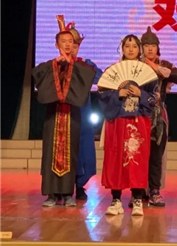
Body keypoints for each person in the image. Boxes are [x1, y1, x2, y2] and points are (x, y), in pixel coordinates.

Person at [32, 15, 96, 207]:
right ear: (56, 45)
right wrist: (55, 65)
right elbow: (37, 77)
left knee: (71, 152)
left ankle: (68, 193)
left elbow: (87, 78)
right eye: (64, 41)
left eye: (70, 42)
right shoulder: (49, 65)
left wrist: (70, 66)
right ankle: (52, 194)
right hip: (53, 115)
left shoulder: (81, 66)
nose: (68, 45)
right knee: (51, 152)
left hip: (72, 116)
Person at [98, 34, 158, 216]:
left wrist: (141, 94)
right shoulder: (112, 71)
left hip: (138, 121)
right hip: (116, 121)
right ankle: (116, 200)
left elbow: (154, 99)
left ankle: (137, 199)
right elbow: (102, 95)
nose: (131, 50)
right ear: (122, 49)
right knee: (115, 158)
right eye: (127, 46)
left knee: (137, 159)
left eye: (134, 46)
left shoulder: (148, 74)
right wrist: (118, 94)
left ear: (139, 49)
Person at [141, 26, 177, 207]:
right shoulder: (134, 65)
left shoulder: (164, 64)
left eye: (153, 46)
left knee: (156, 155)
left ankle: (154, 191)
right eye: (146, 46)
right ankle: (138, 191)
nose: (150, 49)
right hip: (139, 114)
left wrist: (157, 68)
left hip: (158, 115)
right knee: (138, 153)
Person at [66, 22, 103, 201]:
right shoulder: (56, 64)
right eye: (68, 42)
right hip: (63, 113)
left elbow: (102, 78)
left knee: (83, 149)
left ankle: (80, 185)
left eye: (75, 44)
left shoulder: (85, 64)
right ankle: (61, 187)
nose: (72, 47)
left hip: (82, 112)